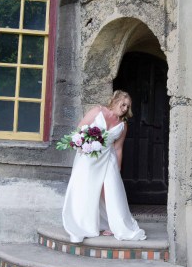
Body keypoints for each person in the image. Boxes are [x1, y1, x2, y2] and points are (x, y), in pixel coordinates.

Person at [62, 90, 147, 243]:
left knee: (110, 190)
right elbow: (80, 128)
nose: (125, 109)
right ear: (115, 100)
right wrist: (83, 144)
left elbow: (118, 148)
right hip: (89, 157)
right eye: (123, 104)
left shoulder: (123, 125)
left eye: (128, 107)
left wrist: (117, 169)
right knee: (86, 187)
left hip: (108, 158)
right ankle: (82, 224)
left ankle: (113, 224)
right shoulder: (97, 111)